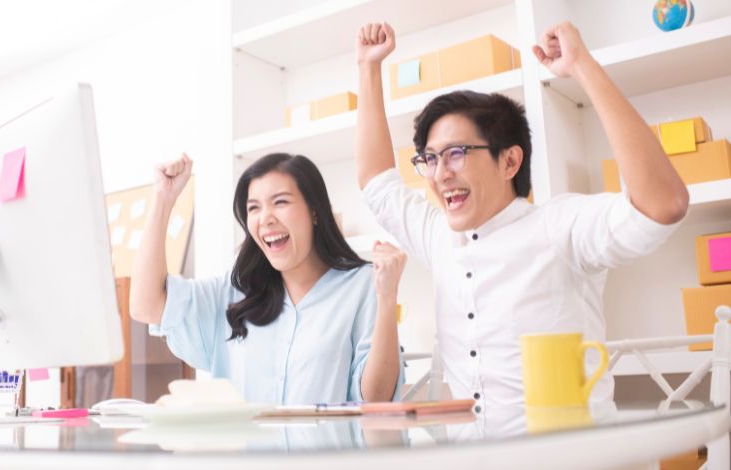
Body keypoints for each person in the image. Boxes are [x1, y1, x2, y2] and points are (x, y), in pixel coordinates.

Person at [354, 21, 688, 415]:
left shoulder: (561, 227)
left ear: (510, 160)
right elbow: (377, 183)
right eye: (430, 158)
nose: (441, 173)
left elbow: (663, 204)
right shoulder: (437, 235)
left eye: (456, 154)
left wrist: (583, 67)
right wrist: (368, 68)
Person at [129, 152, 405, 404]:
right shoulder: (233, 293)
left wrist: (387, 297)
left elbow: (377, 398)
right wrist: (163, 200)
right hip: (248, 460)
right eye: (254, 208)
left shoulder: (362, 286)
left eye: (280, 202)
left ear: (315, 211)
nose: (266, 218)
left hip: (325, 459)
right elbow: (146, 305)